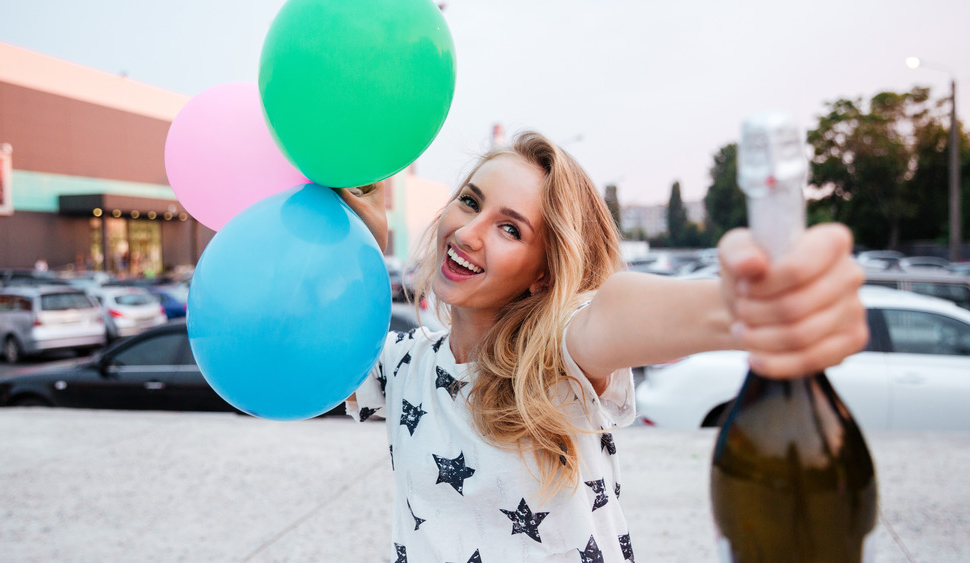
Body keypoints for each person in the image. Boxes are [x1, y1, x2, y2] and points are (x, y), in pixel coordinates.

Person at [337, 131, 866, 562]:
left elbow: (611, 315)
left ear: (544, 272)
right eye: (469, 202)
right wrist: (350, 239)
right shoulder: (402, 362)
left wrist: (740, 305)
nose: (469, 233)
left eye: (509, 229)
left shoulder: (551, 359)